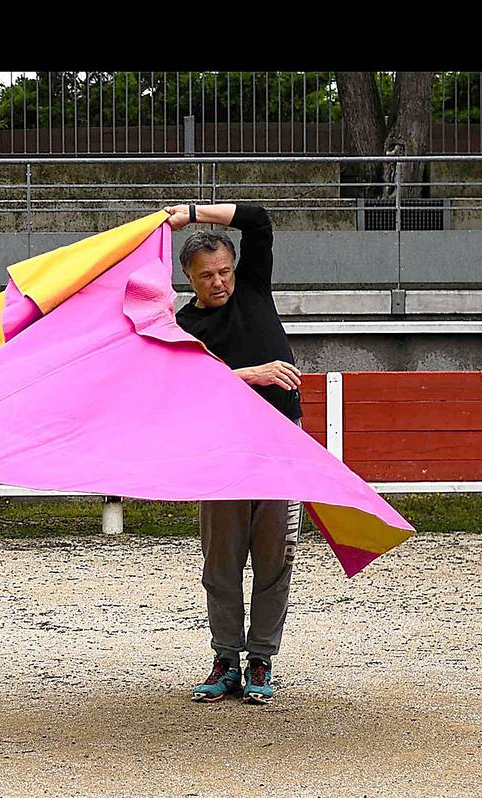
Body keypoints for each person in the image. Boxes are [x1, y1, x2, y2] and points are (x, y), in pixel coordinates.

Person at [164, 203, 303, 705]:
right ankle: (226, 658)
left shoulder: (253, 289)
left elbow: (260, 219)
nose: (219, 282)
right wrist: (253, 374)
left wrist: (191, 212)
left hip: (280, 444)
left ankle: (261, 658)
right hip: (222, 452)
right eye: (207, 276)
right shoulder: (183, 327)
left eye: (224, 271)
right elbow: (184, 388)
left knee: (275, 557)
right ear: (188, 278)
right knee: (221, 562)